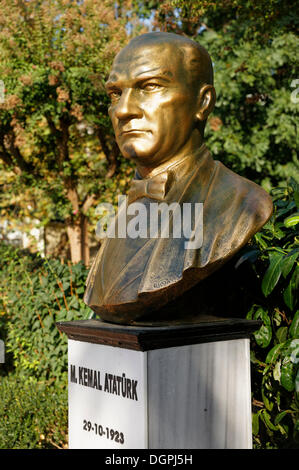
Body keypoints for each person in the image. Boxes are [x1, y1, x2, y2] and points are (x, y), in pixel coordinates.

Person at [84, 32, 273, 325]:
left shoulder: (244, 203)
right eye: (115, 93)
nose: (123, 110)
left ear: (203, 102)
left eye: (149, 86)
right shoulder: (124, 212)